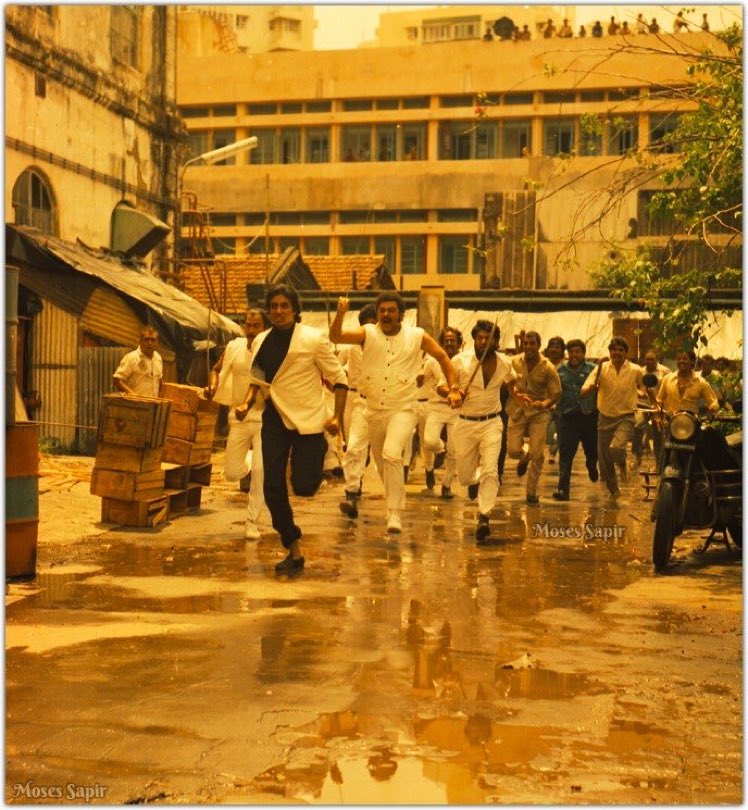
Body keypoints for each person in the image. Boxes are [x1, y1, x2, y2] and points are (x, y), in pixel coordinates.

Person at [330, 293, 461, 533]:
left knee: (392, 454)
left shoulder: (416, 335)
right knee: (382, 465)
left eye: (391, 310)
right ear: (377, 314)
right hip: (374, 410)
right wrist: (340, 313)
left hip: (403, 407)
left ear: (401, 314)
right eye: (382, 311)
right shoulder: (367, 333)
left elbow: (442, 356)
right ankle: (392, 502)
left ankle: (395, 514)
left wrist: (454, 388)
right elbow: (336, 336)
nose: (386, 315)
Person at [241, 284, 347, 576]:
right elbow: (258, 380)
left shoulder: (313, 339)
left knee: (304, 486)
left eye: (284, 305)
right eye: (273, 306)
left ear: (295, 309)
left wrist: (337, 417)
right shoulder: (261, 340)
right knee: (271, 485)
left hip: (309, 422)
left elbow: (340, 378)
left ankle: (320, 454)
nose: (278, 311)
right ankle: (293, 548)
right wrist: (246, 404)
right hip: (274, 418)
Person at [446, 320, 516, 542]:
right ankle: (474, 480)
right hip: (465, 423)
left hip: (492, 422)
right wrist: (453, 393)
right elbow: (442, 385)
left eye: (489, 338)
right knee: (465, 477)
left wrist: (517, 393)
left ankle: (484, 516)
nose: (484, 342)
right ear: (475, 339)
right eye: (480, 338)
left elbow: (512, 380)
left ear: (496, 341)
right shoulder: (459, 361)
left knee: (491, 469)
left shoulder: (505, 362)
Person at [206, 308, 270, 539]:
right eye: (248, 325)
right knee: (232, 474)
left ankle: (252, 521)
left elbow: (259, 381)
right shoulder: (234, 347)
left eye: (256, 326)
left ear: (264, 327)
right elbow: (217, 369)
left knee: (262, 473)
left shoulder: (270, 348)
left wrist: (248, 405)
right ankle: (249, 462)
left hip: (264, 418)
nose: (251, 330)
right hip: (238, 418)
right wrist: (213, 386)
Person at [581, 336, 644, 500]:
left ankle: (622, 461)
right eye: (614, 350)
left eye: (620, 350)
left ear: (626, 353)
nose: (617, 353)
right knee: (605, 459)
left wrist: (655, 401)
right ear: (610, 352)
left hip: (626, 417)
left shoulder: (635, 369)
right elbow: (585, 388)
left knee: (616, 448)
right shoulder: (601, 369)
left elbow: (645, 387)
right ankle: (613, 490)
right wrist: (590, 388)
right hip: (605, 417)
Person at [506, 331, 561, 504]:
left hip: (538, 413)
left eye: (532, 344)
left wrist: (545, 404)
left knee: (537, 453)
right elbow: (506, 382)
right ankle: (523, 456)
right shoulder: (514, 362)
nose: (528, 347)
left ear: (538, 345)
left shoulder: (548, 367)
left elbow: (556, 393)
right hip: (517, 410)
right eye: (526, 343)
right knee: (513, 451)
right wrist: (513, 392)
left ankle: (531, 492)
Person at [338, 304, 377, 519]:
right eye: (367, 324)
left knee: (379, 454)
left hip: (381, 403)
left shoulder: (387, 347)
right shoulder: (350, 346)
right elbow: (334, 367)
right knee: (352, 446)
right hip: (355, 399)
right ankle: (351, 492)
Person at [552, 339, 598, 501]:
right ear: (567, 354)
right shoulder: (559, 371)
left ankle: (591, 464)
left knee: (592, 450)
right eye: (571, 352)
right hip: (567, 417)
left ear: (583, 354)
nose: (574, 355)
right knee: (565, 455)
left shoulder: (593, 370)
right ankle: (563, 489)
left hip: (589, 417)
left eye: (577, 352)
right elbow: (554, 391)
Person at [423, 327, 463, 499]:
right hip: (436, 406)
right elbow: (422, 379)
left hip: (457, 409)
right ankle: (440, 450)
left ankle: (447, 485)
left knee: (455, 450)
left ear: (459, 343)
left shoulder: (465, 361)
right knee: (429, 441)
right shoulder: (432, 361)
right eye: (446, 341)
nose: (449, 343)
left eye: (452, 340)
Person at [631, 349, 669, 468]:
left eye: (652, 359)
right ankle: (637, 457)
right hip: (643, 405)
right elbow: (633, 385)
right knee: (636, 427)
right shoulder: (639, 371)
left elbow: (670, 387)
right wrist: (639, 393)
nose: (649, 362)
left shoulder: (665, 371)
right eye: (647, 359)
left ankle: (659, 463)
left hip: (659, 408)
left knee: (658, 436)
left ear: (657, 360)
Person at [656, 350, 719, 415]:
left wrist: (713, 407)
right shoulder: (667, 379)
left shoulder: (701, 382)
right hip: (671, 421)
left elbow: (713, 402)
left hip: (692, 422)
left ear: (692, 361)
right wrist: (658, 412)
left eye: (685, 359)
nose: (681, 361)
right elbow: (659, 399)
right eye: (679, 359)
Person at [113, 326, 163, 397]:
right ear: (140, 341)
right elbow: (117, 379)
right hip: (135, 405)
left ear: (157, 342)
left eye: (153, 340)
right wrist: (131, 394)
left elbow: (160, 380)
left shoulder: (158, 358)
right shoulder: (131, 358)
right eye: (146, 339)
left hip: (153, 405)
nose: (150, 343)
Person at [544, 336, 566, 465]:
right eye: (551, 347)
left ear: (562, 350)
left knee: (560, 431)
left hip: (562, 404)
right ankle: (551, 450)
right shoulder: (544, 364)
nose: (554, 349)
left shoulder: (565, 366)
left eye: (557, 347)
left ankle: (553, 452)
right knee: (550, 432)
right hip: (545, 403)